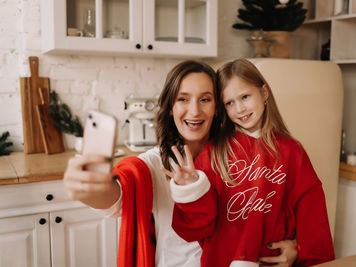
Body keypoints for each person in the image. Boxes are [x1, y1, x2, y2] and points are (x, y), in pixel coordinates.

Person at [63, 59, 298, 267]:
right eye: (183, 99)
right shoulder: (153, 165)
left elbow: (271, 212)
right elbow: (116, 198)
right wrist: (91, 189)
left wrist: (295, 247)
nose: (194, 111)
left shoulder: (243, 158)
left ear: (217, 108)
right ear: (170, 107)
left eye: (205, 99)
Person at [165, 58, 335, 267]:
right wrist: (192, 189)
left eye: (245, 97)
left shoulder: (292, 152)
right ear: (222, 108)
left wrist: (302, 252)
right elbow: (195, 229)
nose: (240, 109)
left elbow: (313, 217)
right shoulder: (213, 154)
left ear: (264, 93)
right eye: (229, 103)